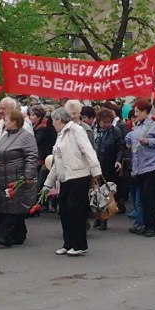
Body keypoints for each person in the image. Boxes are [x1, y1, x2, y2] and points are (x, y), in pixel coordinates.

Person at [43, 106, 103, 256]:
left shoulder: (75, 130)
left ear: (59, 119)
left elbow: (88, 150)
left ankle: (79, 244)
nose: (52, 124)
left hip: (78, 175)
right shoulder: (60, 135)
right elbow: (57, 160)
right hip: (65, 178)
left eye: (53, 121)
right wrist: (48, 183)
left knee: (75, 211)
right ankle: (68, 242)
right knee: (64, 211)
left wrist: (96, 172)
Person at [0, 107, 39, 247]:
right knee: (11, 206)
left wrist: (28, 174)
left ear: (14, 121)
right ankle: (19, 234)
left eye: (6, 120)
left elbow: (32, 156)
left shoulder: (26, 137)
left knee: (14, 206)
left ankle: (5, 235)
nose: (3, 122)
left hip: (17, 177)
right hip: (3, 177)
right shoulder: (6, 135)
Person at [126, 100, 155, 237]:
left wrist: (149, 141)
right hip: (139, 166)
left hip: (151, 165)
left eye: (138, 111)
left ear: (145, 111)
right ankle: (143, 223)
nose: (136, 114)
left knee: (149, 197)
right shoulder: (137, 126)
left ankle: (151, 226)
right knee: (141, 198)